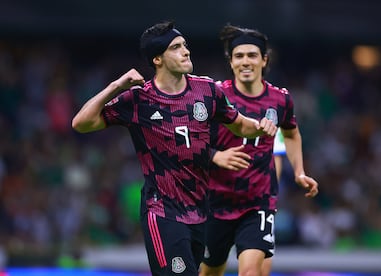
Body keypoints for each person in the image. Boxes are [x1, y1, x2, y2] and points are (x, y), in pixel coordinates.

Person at [71, 21, 276, 275]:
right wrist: (116, 86)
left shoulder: (207, 90)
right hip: (163, 212)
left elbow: (240, 126)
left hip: (200, 213)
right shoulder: (138, 99)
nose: (186, 51)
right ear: (157, 59)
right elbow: (81, 123)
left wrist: (260, 127)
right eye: (176, 47)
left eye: (185, 45)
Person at [199, 24, 319, 276]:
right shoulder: (214, 96)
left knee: (252, 272)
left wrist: (299, 171)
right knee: (210, 272)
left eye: (252, 55)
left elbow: (292, 132)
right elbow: (189, 140)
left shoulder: (280, 99)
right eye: (239, 56)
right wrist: (216, 156)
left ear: (264, 60)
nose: (245, 61)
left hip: (258, 203)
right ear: (230, 62)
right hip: (215, 201)